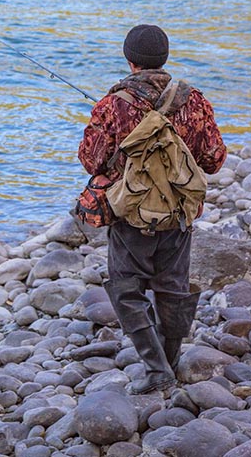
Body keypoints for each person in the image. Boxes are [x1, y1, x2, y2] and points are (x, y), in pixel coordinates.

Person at [78, 24, 227, 394]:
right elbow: (214, 160)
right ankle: (170, 359)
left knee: (126, 289)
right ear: (164, 59)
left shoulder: (113, 104)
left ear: (130, 61)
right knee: (173, 288)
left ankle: (156, 366)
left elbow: (91, 160)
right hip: (178, 213)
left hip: (131, 214)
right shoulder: (194, 101)